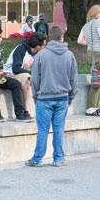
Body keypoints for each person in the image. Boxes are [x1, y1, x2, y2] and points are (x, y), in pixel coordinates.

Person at [26, 26, 78, 167]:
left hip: (44, 98)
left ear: (49, 38)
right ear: (62, 37)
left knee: (42, 130)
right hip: (62, 98)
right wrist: (71, 97)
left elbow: (35, 79)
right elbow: (74, 80)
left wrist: (35, 97)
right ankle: (59, 158)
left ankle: (37, 158)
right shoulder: (69, 55)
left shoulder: (41, 56)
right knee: (59, 129)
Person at [3, 32, 47, 118]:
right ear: (38, 46)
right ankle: (25, 111)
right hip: (10, 73)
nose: (45, 46)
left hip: (21, 73)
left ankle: (44, 110)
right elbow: (15, 69)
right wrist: (32, 73)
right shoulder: (21, 49)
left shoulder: (37, 53)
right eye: (44, 44)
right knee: (27, 78)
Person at [77, 4, 100, 115]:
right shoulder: (98, 23)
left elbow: (80, 41)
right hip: (99, 54)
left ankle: (92, 107)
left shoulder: (86, 25)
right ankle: (92, 107)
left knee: (96, 79)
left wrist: (91, 43)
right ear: (97, 13)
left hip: (90, 55)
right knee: (97, 81)